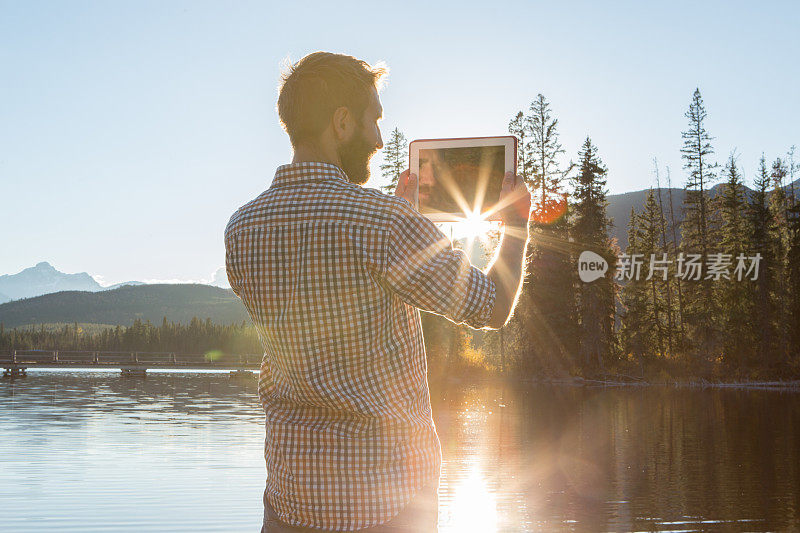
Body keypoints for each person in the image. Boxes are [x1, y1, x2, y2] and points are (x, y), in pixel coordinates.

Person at [224, 51, 532, 533]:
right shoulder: (384, 223)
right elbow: (491, 306)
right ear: (342, 123)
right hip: (385, 507)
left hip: (289, 502)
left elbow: (320, 309)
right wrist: (515, 226)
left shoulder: (241, 229)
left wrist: (401, 219)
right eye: (374, 121)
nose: (380, 140)